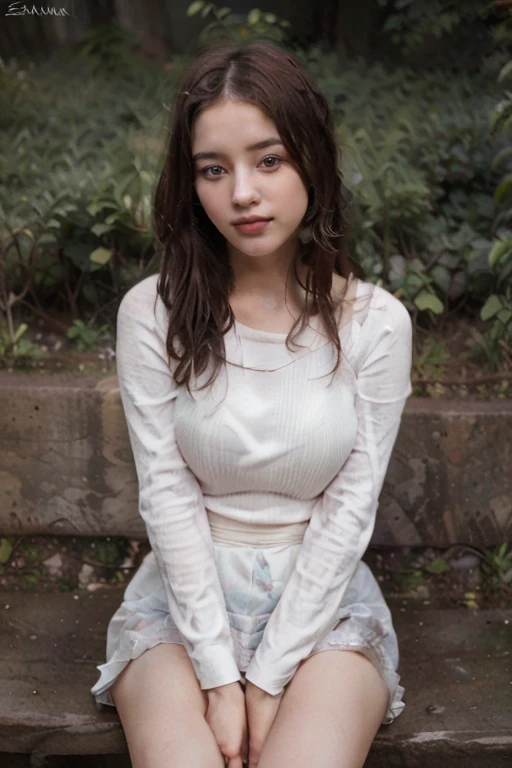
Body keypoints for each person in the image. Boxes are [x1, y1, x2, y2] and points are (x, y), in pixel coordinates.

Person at [90, 40, 413, 768]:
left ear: (312, 159)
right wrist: (216, 676)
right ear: (191, 182)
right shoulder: (154, 313)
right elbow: (168, 497)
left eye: (269, 160)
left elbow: (349, 511)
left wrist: (264, 683)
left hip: (323, 605)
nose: (242, 192)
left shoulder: (375, 323)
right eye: (214, 169)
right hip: (182, 606)